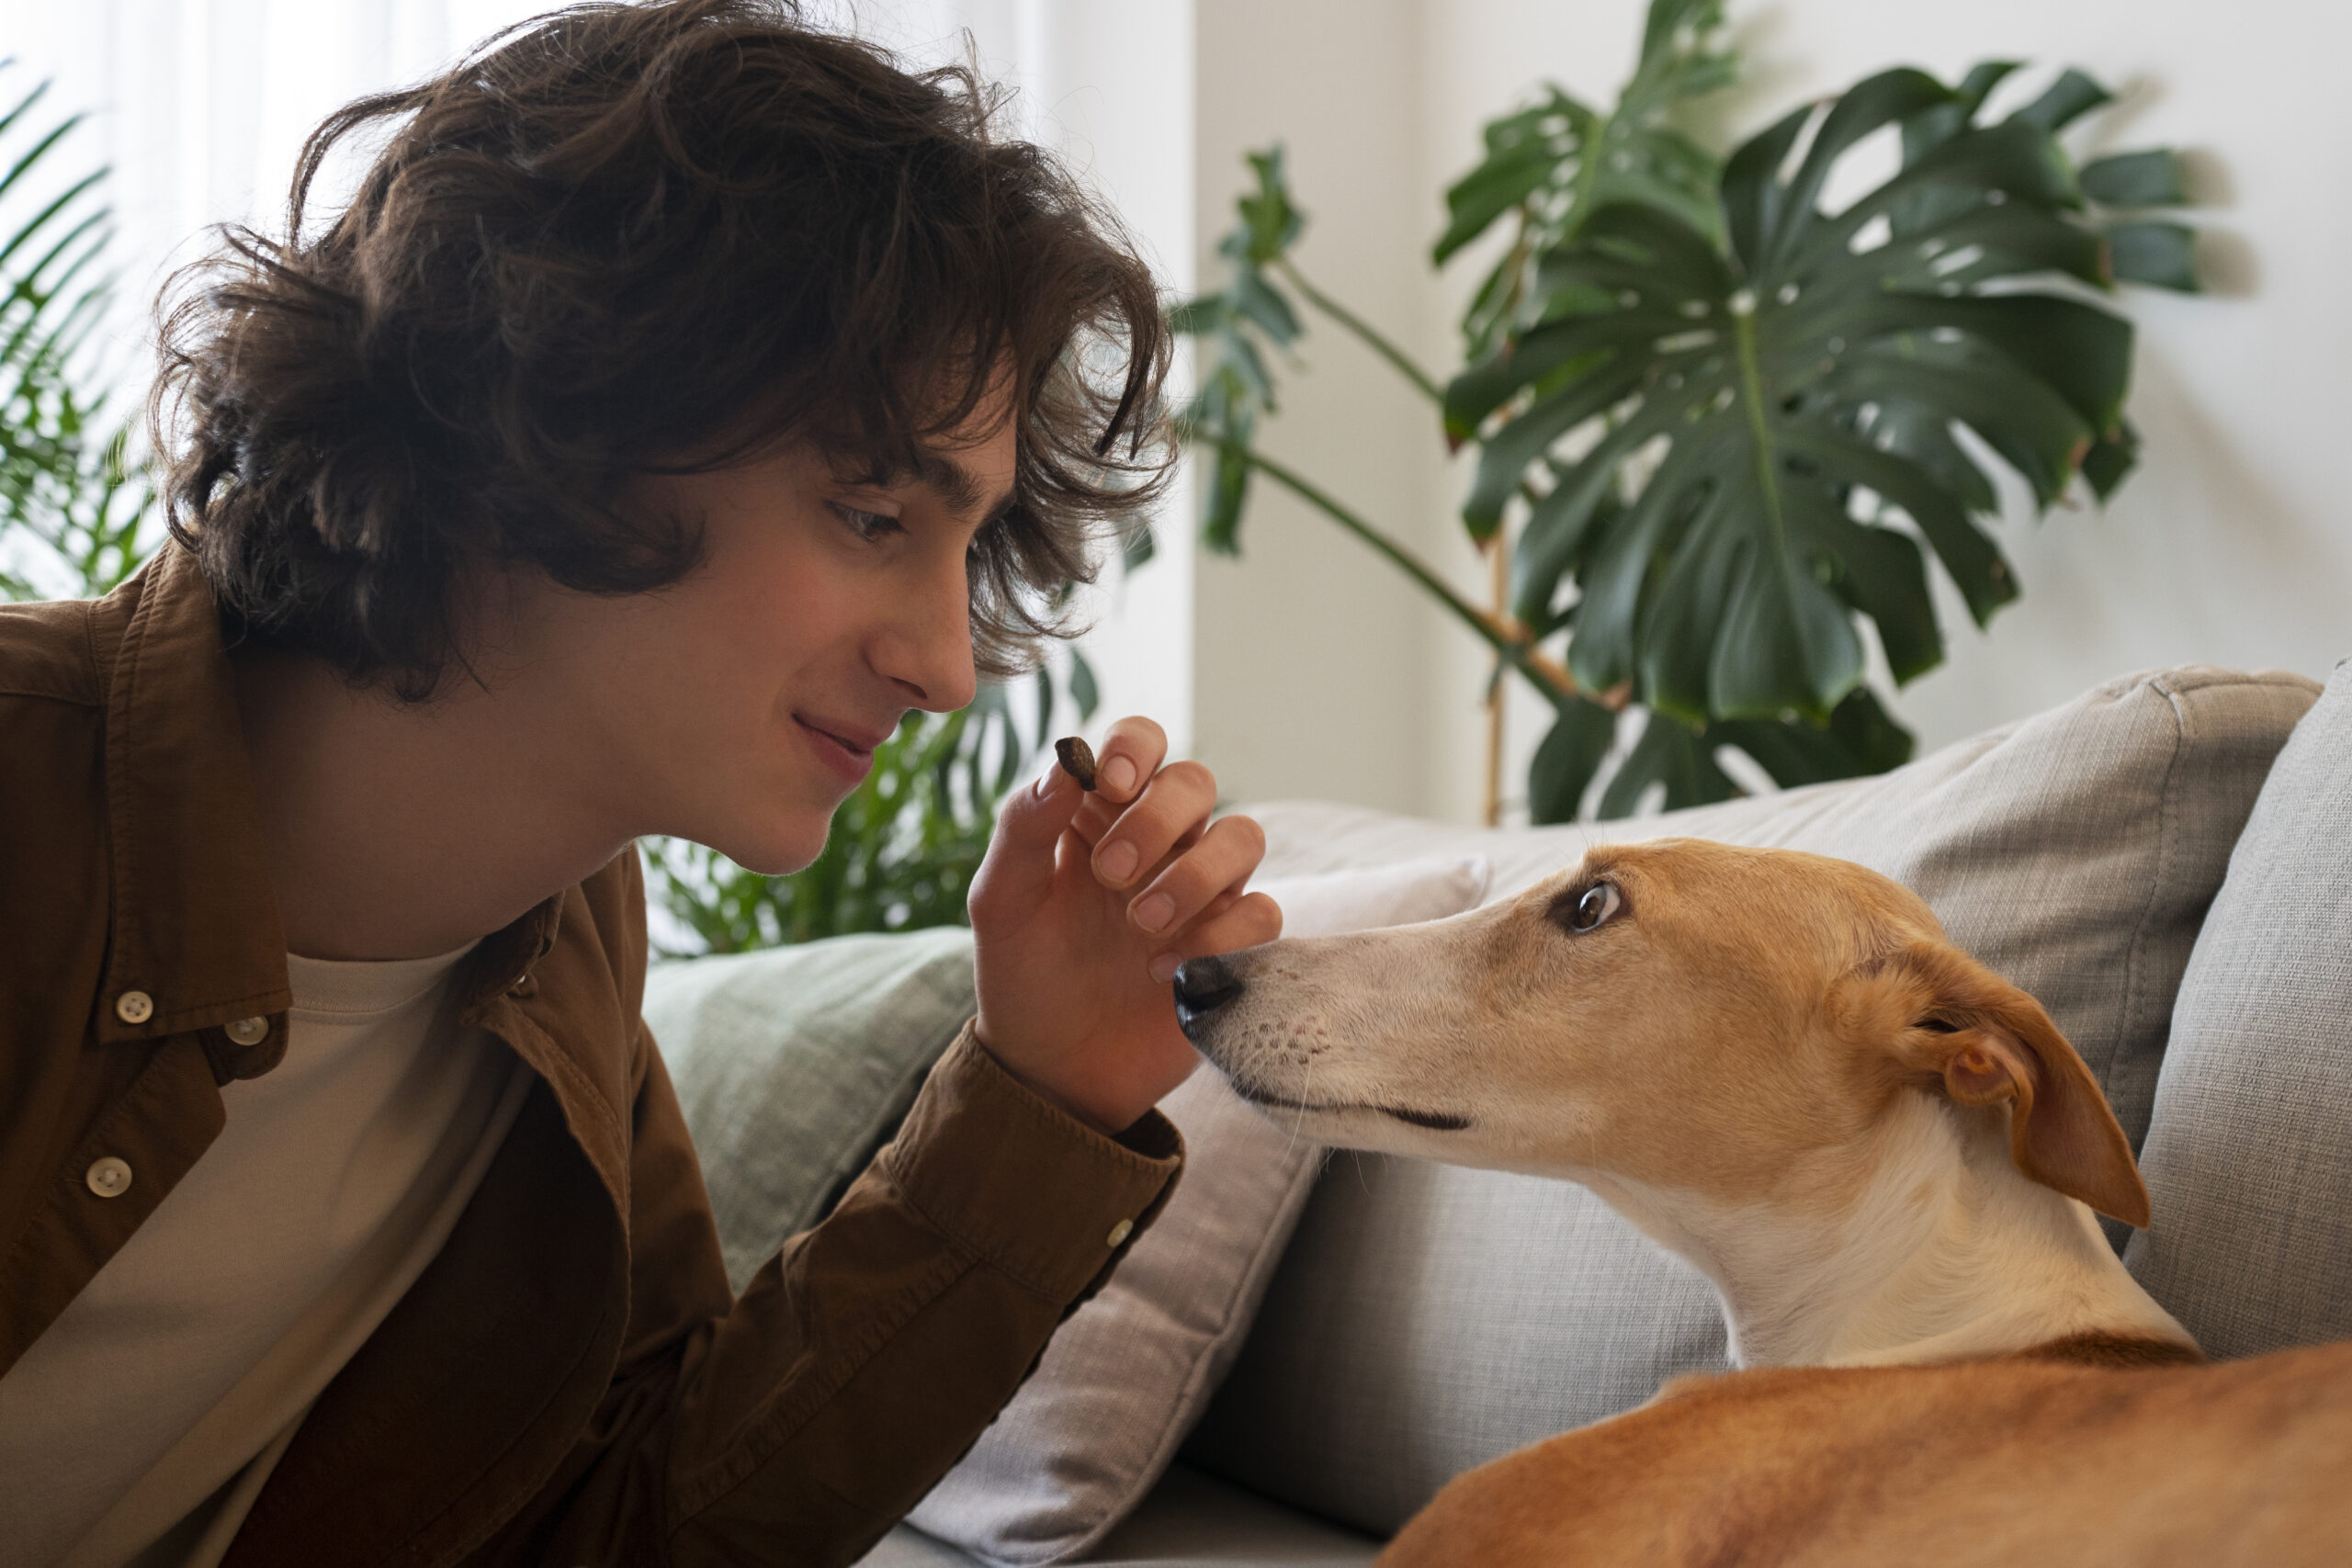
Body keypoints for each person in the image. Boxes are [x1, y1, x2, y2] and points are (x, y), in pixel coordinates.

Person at [0, 4, 1278, 1564]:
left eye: (967, 546)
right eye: (875, 513)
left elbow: (640, 1524)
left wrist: (1042, 1102)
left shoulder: (571, 935)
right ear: (551, 405)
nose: (949, 666)